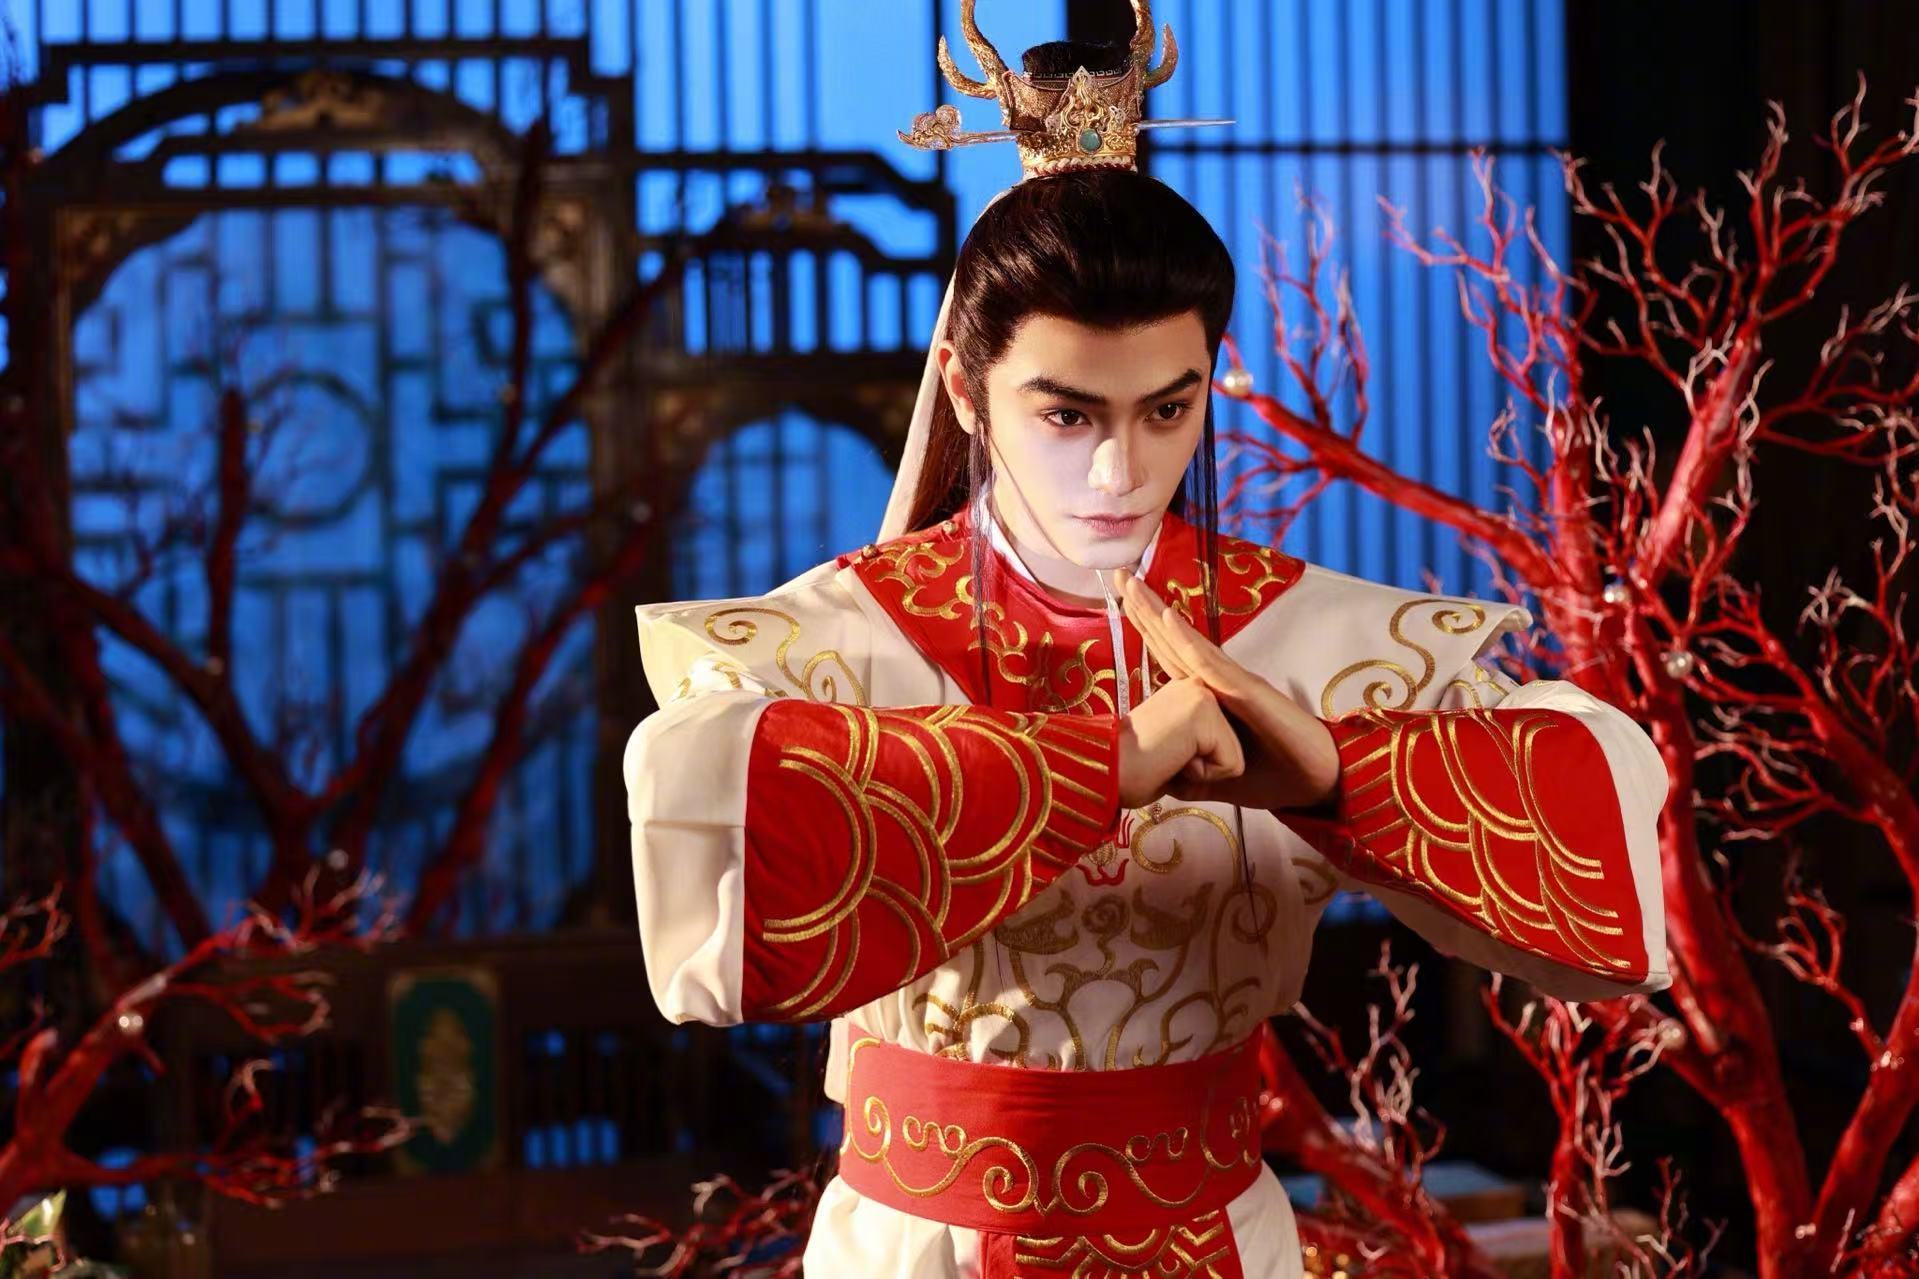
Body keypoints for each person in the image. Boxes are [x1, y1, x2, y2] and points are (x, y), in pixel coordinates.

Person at [622, 6, 1670, 1276]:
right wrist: (1097, 768)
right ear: (964, 388)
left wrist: (1338, 773)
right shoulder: (827, 640)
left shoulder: (1307, 636)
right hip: (923, 1240)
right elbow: (714, 897)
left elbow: (1604, 875)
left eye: (1167, 409)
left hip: (1215, 1227)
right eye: (1065, 415)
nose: (1119, 471)